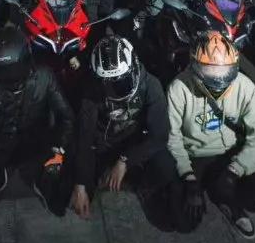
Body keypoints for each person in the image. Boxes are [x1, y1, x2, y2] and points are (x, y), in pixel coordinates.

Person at [167, 32, 255, 238]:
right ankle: (215, 189)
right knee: (183, 222)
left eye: (225, 71)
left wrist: (235, 170)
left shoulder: (244, 86)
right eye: (210, 71)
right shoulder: (179, 88)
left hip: (232, 150)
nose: (219, 79)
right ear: (194, 66)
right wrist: (188, 177)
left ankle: (230, 201)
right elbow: (172, 138)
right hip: (197, 155)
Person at [0, 25, 75, 224]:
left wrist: (59, 150)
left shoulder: (44, 76)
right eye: (5, 71)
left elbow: (67, 117)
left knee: (61, 195)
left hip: (35, 142)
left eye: (14, 69)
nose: (11, 76)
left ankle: (42, 181)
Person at [68, 36, 175, 221]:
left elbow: (160, 135)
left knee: (165, 166)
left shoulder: (151, 85)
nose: (114, 90)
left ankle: (142, 185)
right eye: (108, 84)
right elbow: (84, 137)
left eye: (121, 82)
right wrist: (80, 184)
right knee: (70, 196)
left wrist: (125, 160)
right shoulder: (92, 91)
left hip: (133, 142)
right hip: (102, 145)